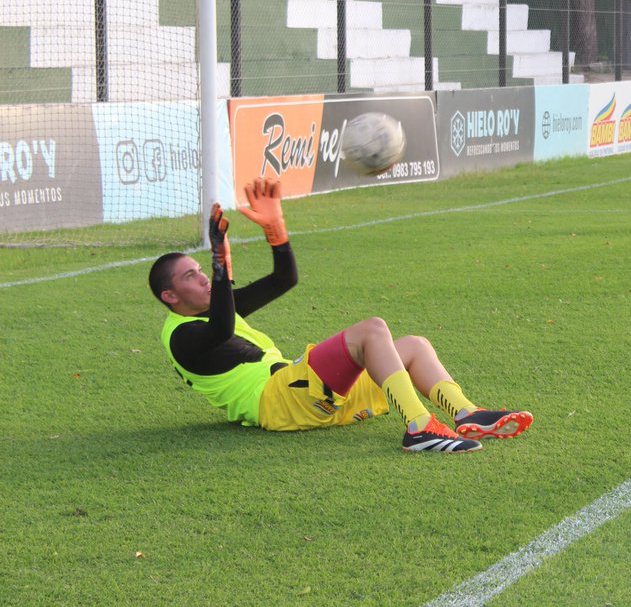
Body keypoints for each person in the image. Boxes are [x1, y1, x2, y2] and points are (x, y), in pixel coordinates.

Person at [148, 176, 532, 453]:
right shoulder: (180, 337)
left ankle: (467, 413)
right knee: (371, 331)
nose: (202, 279)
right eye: (190, 276)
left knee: (412, 346)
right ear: (170, 296)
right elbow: (220, 329)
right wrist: (221, 263)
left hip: (303, 397)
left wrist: (276, 230)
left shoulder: (216, 309)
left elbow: (284, 279)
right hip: (278, 401)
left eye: (201, 270)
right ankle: (419, 429)